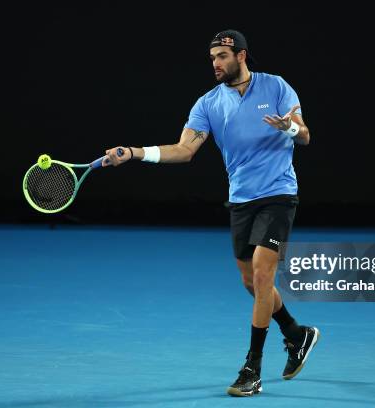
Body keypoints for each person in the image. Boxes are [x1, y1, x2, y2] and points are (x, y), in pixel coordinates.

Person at [103, 29, 319, 397]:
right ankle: (297, 333)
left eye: (222, 55)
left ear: (242, 55)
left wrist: (290, 126)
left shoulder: (277, 87)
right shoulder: (207, 104)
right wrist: (136, 151)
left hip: (279, 194)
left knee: (264, 277)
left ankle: (252, 367)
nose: (216, 63)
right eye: (213, 57)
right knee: (250, 283)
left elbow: (305, 136)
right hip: (241, 199)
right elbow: (184, 150)